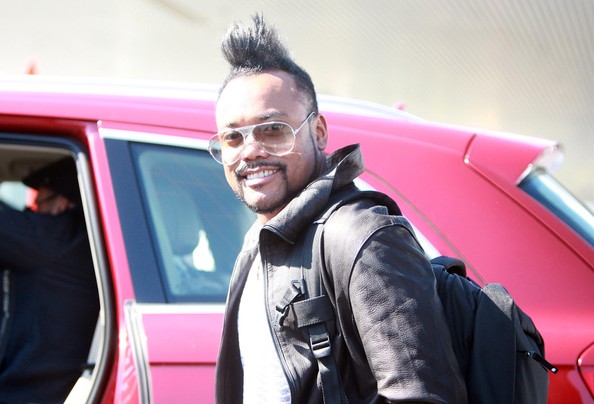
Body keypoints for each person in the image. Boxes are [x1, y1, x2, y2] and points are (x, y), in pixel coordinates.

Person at [211, 15, 467, 403]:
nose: (250, 151)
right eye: (233, 137)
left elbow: (421, 395)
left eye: (273, 130)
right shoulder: (257, 243)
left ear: (318, 132)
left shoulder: (363, 237)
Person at [0, 157, 100, 403]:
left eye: (38, 205)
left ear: (62, 202)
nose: (31, 213)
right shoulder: (85, 243)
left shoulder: (55, 237)